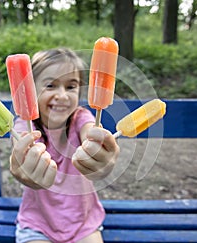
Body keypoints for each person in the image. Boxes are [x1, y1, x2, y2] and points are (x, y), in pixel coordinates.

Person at [9, 48, 120, 243]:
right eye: (50, 85)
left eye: (71, 87)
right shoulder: (24, 126)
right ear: (30, 90)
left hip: (83, 222)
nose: (62, 95)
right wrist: (23, 161)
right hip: (38, 223)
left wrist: (96, 148)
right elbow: (20, 144)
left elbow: (90, 132)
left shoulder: (81, 118)